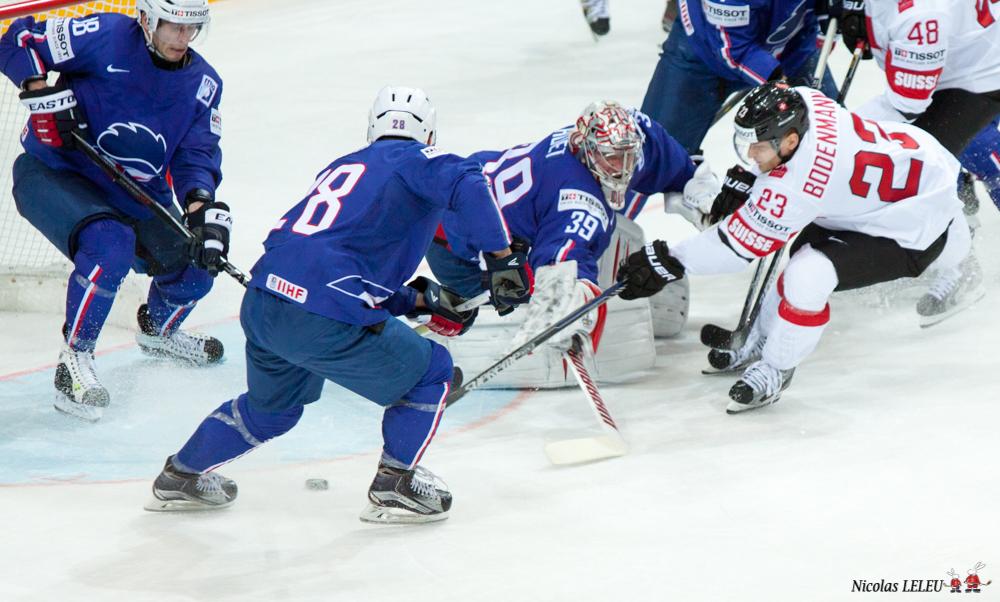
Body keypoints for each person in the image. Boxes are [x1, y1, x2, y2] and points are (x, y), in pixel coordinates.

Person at [145, 86, 532, 524]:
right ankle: (395, 484)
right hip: (322, 312)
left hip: (264, 300)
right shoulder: (418, 159)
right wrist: (502, 259)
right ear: (429, 134)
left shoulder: (344, 166)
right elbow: (468, 180)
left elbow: (333, 257)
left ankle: (180, 475)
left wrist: (414, 299)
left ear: (372, 130)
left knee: (271, 410)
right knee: (433, 372)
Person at [617, 82, 976, 413]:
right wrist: (750, 178)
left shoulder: (799, 186)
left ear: (790, 142)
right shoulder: (803, 102)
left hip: (912, 225)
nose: (751, 154)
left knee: (808, 275)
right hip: (904, 174)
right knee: (800, 260)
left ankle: (776, 368)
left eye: (758, 148)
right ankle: (759, 339)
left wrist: (667, 261)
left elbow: (734, 248)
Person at [0, 0, 228, 422]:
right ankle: (74, 361)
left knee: (197, 262)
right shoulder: (104, 35)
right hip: (54, 173)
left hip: (134, 192)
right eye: (173, 26)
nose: (183, 38)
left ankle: (159, 331)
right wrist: (39, 91)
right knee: (110, 245)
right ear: (147, 19)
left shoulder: (204, 84)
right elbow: (18, 39)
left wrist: (201, 208)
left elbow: (196, 155)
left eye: (191, 28)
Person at [426, 101, 702, 385]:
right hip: (457, 250)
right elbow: (559, 265)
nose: (623, 168)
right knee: (533, 317)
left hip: (470, 195)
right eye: (612, 158)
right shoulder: (576, 198)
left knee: (616, 243)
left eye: (628, 156)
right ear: (588, 149)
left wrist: (701, 191)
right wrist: (567, 311)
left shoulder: (600, 142)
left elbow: (654, 143)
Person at [641, 0, 839, 155]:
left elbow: (834, 12)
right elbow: (736, 49)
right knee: (652, 153)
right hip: (704, 54)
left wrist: (841, 14)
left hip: (792, 44)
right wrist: (779, 82)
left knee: (834, 140)